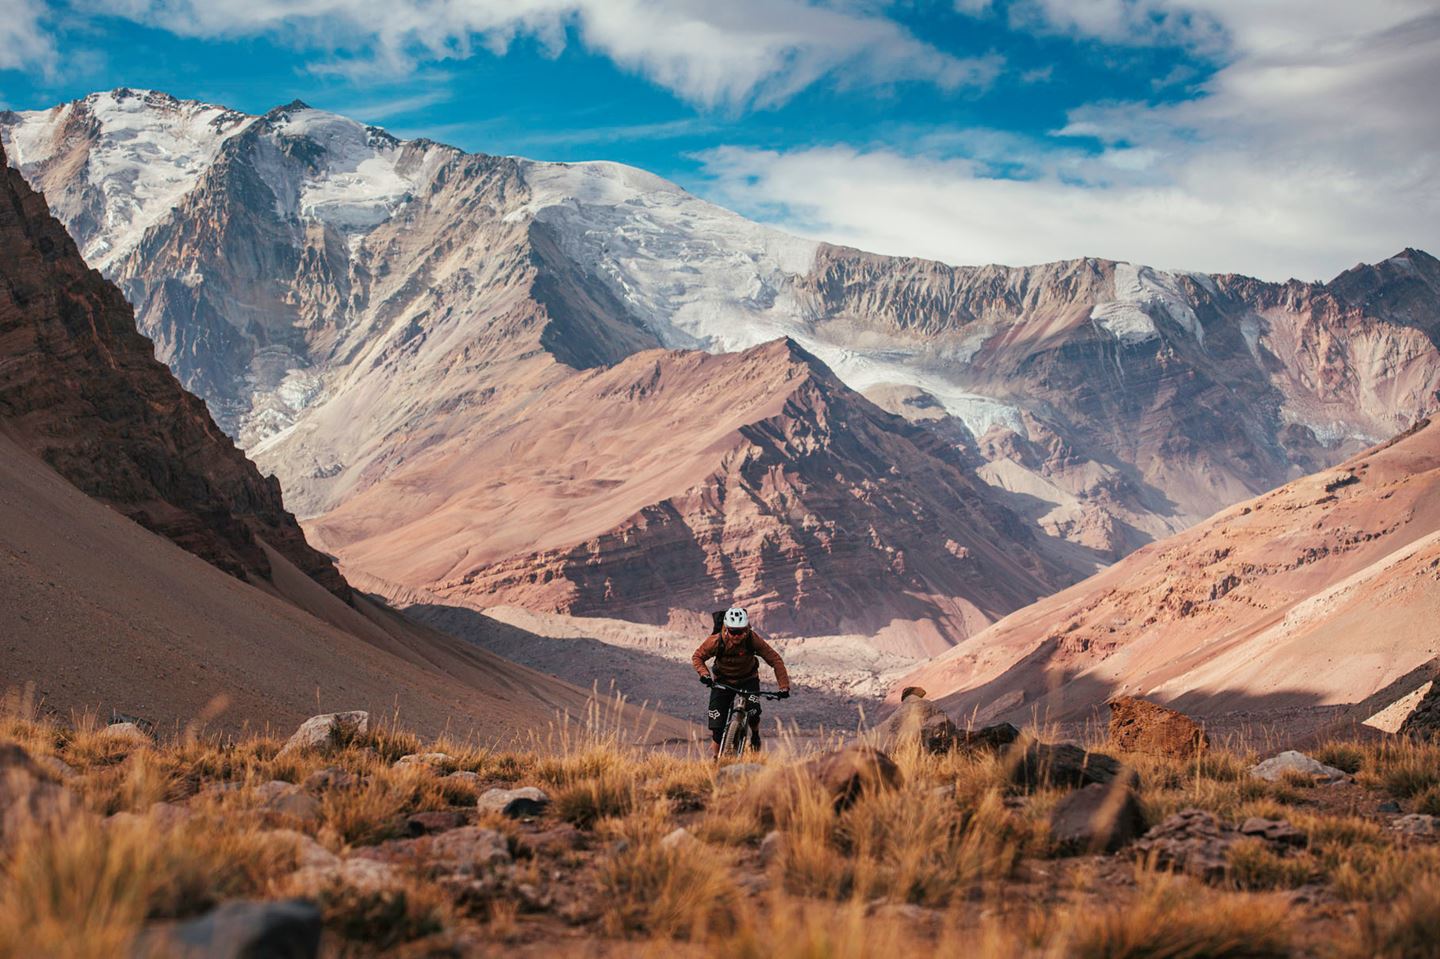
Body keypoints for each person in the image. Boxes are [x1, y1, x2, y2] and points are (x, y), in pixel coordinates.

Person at [692, 605, 791, 756]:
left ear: (747, 629)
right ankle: (715, 761)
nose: (737, 636)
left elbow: (775, 659)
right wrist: (704, 675)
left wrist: (783, 687)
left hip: (748, 679)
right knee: (717, 727)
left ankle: (755, 735)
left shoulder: (752, 639)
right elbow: (698, 656)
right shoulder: (716, 641)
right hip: (722, 681)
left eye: (741, 631)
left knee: (753, 711)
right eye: (733, 631)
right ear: (726, 629)